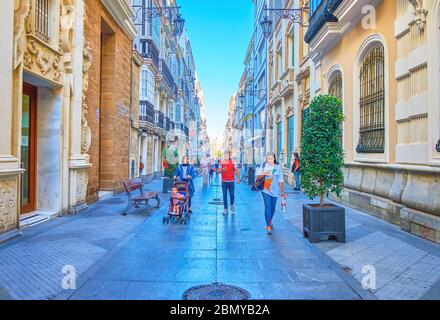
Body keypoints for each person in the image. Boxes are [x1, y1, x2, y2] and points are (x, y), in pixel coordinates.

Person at [256, 152, 286, 234]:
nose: (270, 160)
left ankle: (270, 219)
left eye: (271, 158)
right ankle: (268, 225)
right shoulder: (263, 166)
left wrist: (282, 191)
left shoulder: (278, 167)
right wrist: (265, 172)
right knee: (268, 206)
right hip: (265, 190)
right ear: (266, 159)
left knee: (273, 208)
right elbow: (258, 177)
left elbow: (280, 180)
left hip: (275, 191)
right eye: (268, 158)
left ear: (274, 159)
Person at [220, 150, 241, 215]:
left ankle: (231, 204)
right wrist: (222, 170)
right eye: (225, 154)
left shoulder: (233, 162)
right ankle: (225, 209)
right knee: (224, 195)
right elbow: (218, 170)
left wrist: (238, 179)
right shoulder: (221, 162)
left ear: (229, 155)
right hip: (224, 182)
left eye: (227, 155)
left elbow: (237, 170)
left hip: (231, 181)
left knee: (232, 195)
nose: (226, 156)